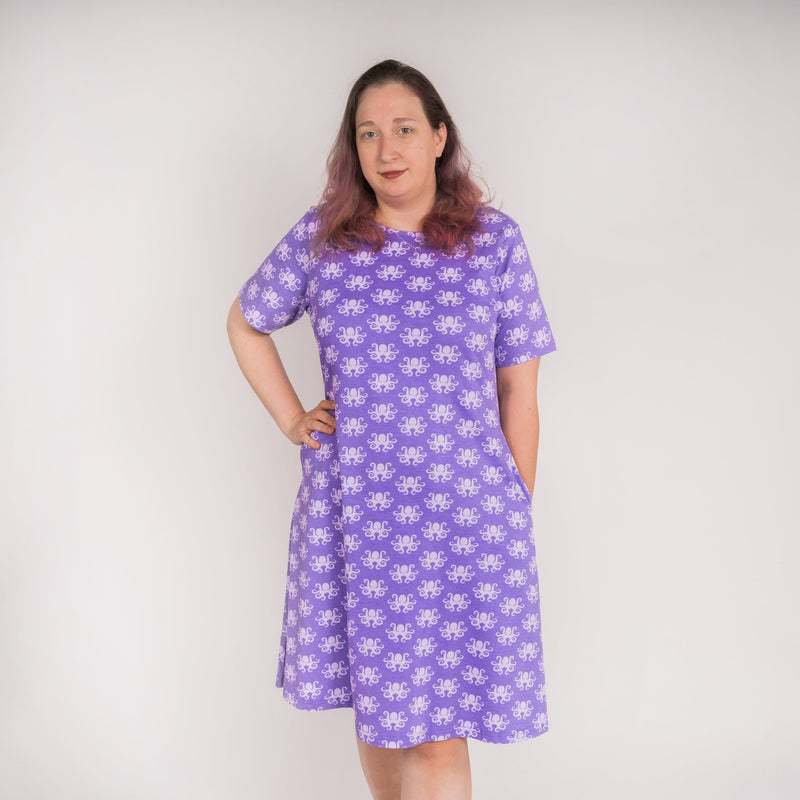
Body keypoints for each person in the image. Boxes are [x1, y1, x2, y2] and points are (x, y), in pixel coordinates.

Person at [227, 59, 557, 800]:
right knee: (383, 721)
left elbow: (520, 391)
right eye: (368, 133)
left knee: (437, 734)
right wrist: (291, 417)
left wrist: (512, 511)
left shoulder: (493, 243)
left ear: (439, 137)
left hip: (464, 521)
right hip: (358, 518)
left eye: (404, 128)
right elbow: (246, 323)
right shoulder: (325, 239)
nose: (386, 148)